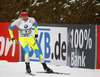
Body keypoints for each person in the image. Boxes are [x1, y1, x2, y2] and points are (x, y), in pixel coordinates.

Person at [8, 9, 53, 73]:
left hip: (30, 39)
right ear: (21, 16)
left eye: (25, 16)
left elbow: (36, 25)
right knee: (27, 52)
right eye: (23, 16)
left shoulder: (32, 20)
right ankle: (28, 67)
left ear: (27, 15)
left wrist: (36, 35)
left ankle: (45, 67)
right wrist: (12, 38)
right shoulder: (18, 21)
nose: (24, 17)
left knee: (38, 52)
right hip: (23, 39)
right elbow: (9, 28)